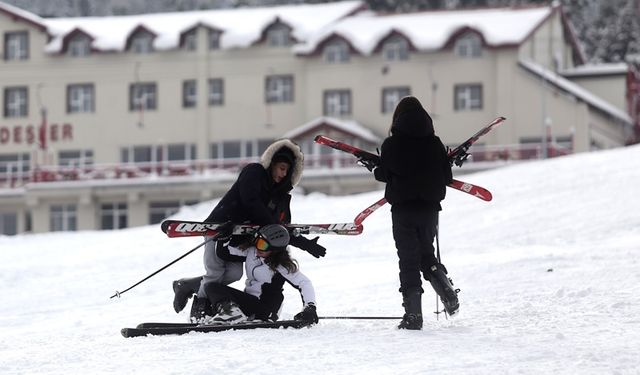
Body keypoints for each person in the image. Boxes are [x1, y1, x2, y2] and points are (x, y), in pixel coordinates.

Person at [171, 139, 326, 321]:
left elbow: (278, 233)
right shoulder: (254, 172)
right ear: (271, 164)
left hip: (241, 238)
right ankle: (201, 312)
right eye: (281, 168)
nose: (284, 174)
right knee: (214, 276)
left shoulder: (279, 196)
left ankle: (188, 285)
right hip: (219, 229)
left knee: (234, 274)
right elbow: (250, 202)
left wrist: (304, 243)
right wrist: (232, 223)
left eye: (287, 171)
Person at [373, 96, 459, 330]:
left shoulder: (392, 145)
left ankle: (413, 315)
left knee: (409, 260)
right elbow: (447, 177)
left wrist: (376, 167)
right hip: (430, 210)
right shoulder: (435, 143)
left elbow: (384, 174)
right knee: (425, 255)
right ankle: (446, 289)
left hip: (403, 210)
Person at [203, 224, 318, 325]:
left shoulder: (281, 265)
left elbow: (304, 283)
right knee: (211, 287)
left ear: (275, 250)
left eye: (263, 245)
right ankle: (225, 313)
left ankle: (231, 313)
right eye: (258, 241)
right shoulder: (252, 252)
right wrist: (224, 238)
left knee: (212, 288)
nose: (258, 247)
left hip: (266, 309)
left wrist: (310, 308)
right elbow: (224, 253)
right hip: (251, 304)